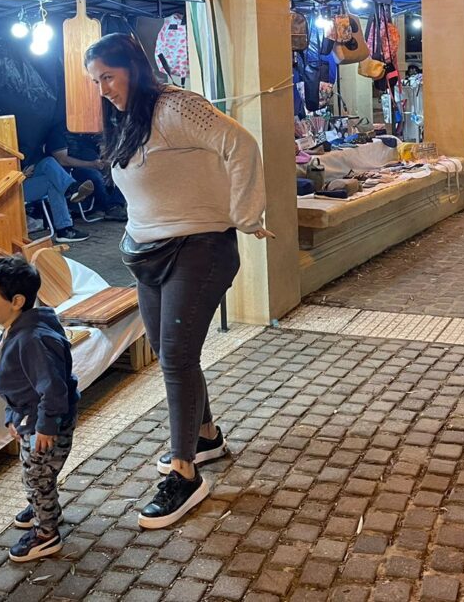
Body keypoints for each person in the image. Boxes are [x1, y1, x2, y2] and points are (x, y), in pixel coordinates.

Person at [84, 33, 273, 529]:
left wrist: (245, 214)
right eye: (96, 80)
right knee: (173, 354)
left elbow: (241, 143)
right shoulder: (127, 120)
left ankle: (184, 472)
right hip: (146, 256)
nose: (102, 88)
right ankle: (205, 436)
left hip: (200, 248)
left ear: (132, 68)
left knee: (176, 358)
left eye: (108, 76)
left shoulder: (176, 107)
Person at [0, 256, 79, 563]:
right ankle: (43, 506)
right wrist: (12, 416)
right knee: (34, 473)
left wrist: (46, 426)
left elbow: (54, 388)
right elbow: (17, 385)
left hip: (45, 423)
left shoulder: (33, 339)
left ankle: (46, 533)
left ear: (16, 301)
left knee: (37, 476)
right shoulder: (14, 328)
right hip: (28, 418)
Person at [16, 120, 93, 243]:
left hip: (28, 179)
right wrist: (20, 175)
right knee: (55, 182)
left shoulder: (30, 141)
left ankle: (71, 188)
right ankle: (64, 230)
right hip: (12, 187)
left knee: (49, 163)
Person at [56, 131, 128, 222]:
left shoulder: (89, 129)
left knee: (122, 168)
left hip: (94, 163)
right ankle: (110, 207)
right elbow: (63, 160)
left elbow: (102, 149)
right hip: (73, 168)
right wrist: (91, 164)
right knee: (94, 176)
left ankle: (116, 204)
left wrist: (106, 161)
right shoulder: (60, 131)